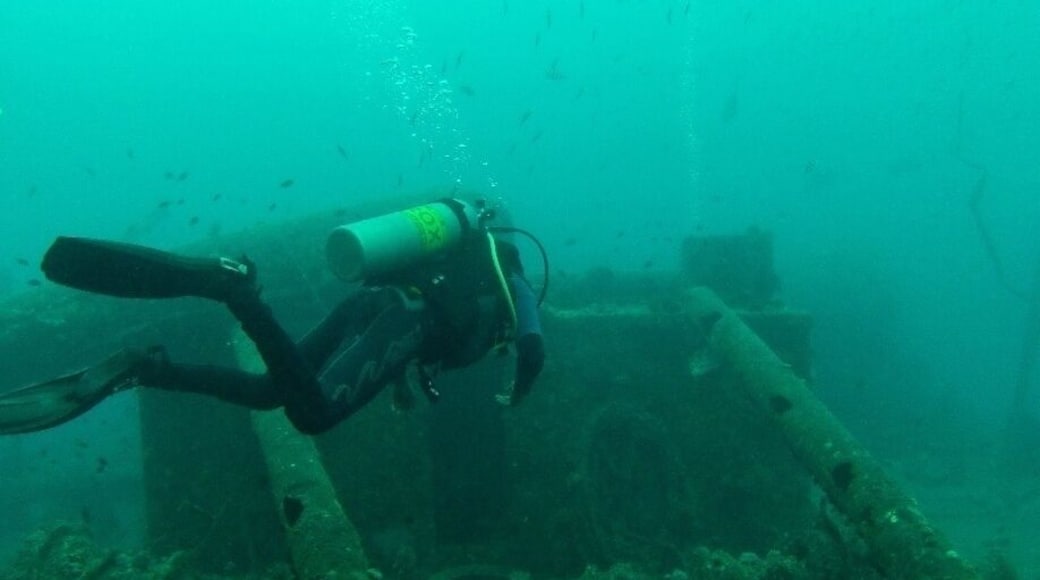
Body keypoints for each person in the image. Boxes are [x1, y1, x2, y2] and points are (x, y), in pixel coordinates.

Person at [0, 198, 545, 436]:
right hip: (401, 320)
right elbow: (533, 345)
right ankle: (235, 291)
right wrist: (521, 385)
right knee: (313, 414)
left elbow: (431, 323)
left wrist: (399, 377)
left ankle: (147, 368)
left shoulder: (469, 266)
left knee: (269, 391)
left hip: (376, 307)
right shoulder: (513, 279)